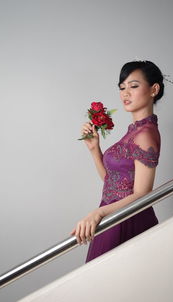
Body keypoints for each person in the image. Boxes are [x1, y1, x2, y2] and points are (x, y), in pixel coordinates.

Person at [70, 60, 163, 263]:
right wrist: (95, 149)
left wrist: (98, 213)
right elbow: (111, 181)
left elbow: (142, 193)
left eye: (134, 86)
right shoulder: (134, 132)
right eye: (122, 88)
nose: (125, 93)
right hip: (115, 215)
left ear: (153, 89)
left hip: (128, 219)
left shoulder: (146, 134)